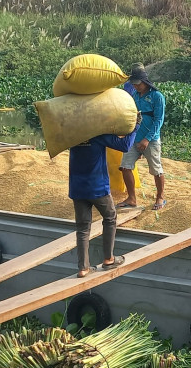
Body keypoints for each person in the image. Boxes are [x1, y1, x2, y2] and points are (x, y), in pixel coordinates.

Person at [69, 130, 136, 278]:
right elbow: (125, 146)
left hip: (77, 188)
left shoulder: (72, 134)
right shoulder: (98, 134)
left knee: (82, 228)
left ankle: (83, 268)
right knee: (110, 217)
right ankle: (108, 259)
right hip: (97, 187)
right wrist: (136, 127)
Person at [119, 67, 167, 210]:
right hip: (134, 138)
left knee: (156, 169)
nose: (135, 86)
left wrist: (147, 139)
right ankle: (131, 198)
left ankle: (160, 197)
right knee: (125, 167)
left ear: (145, 82)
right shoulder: (134, 96)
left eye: (138, 84)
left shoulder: (157, 96)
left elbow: (159, 120)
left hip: (150, 140)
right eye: (134, 84)